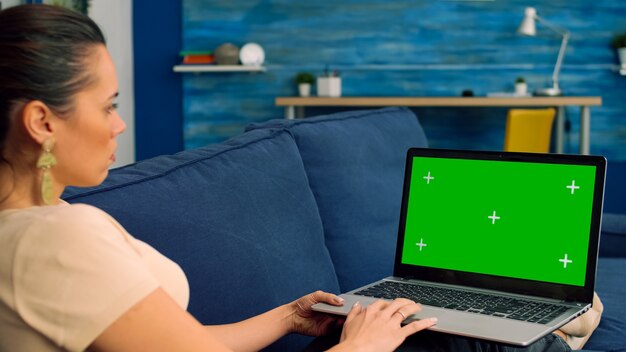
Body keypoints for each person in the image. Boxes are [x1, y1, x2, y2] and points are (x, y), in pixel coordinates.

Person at [0, 4, 599, 352]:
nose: (121, 123)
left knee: (424, 322)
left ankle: (552, 326)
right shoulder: (56, 239)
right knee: (427, 332)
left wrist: (289, 315)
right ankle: (565, 329)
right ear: (41, 121)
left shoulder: (45, 227)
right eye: (107, 105)